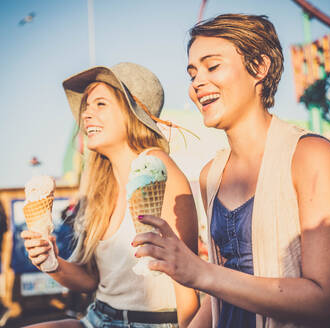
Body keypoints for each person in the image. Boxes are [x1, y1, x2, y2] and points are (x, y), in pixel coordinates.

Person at [132, 14, 330, 327]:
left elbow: (326, 302)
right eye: (192, 73)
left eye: (212, 66)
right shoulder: (210, 175)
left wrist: (199, 272)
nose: (197, 83)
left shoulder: (312, 156)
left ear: (260, 67)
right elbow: (222, 293)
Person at [21, 62, 199, 327]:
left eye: (100, 104)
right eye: (86, 107)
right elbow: (91, 279)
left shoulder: (158, 170)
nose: (86, 115)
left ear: (133, 113)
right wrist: (49, 262)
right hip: (98, 317)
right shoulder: (102, 182)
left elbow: (188, 285)